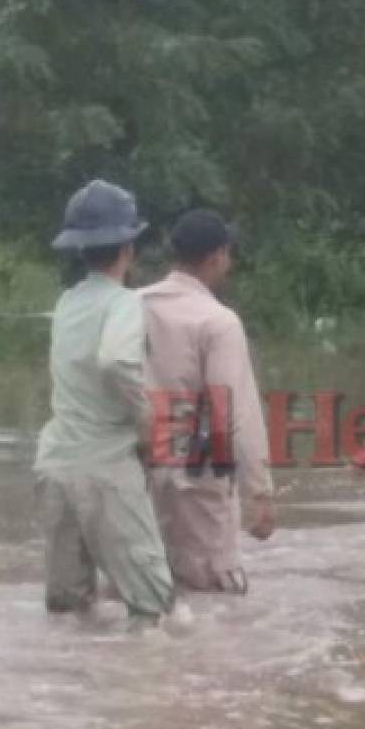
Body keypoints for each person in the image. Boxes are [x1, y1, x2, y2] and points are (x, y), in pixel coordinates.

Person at [34, 180, 175, 622]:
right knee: (155, 609)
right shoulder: (124, 303)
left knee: (68, 608)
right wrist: (146, 417)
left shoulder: (67, 302)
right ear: (128, 249)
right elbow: (115, 361)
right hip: (106, 467)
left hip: (57, 465)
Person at [141, 209, 276, 595]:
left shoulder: (131, 306)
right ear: (217, 256)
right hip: (196, 470)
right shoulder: (218, 321)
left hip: (134, 468)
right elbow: (232, 412)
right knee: (216, 594)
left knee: (146, 587)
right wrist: (260, 491)